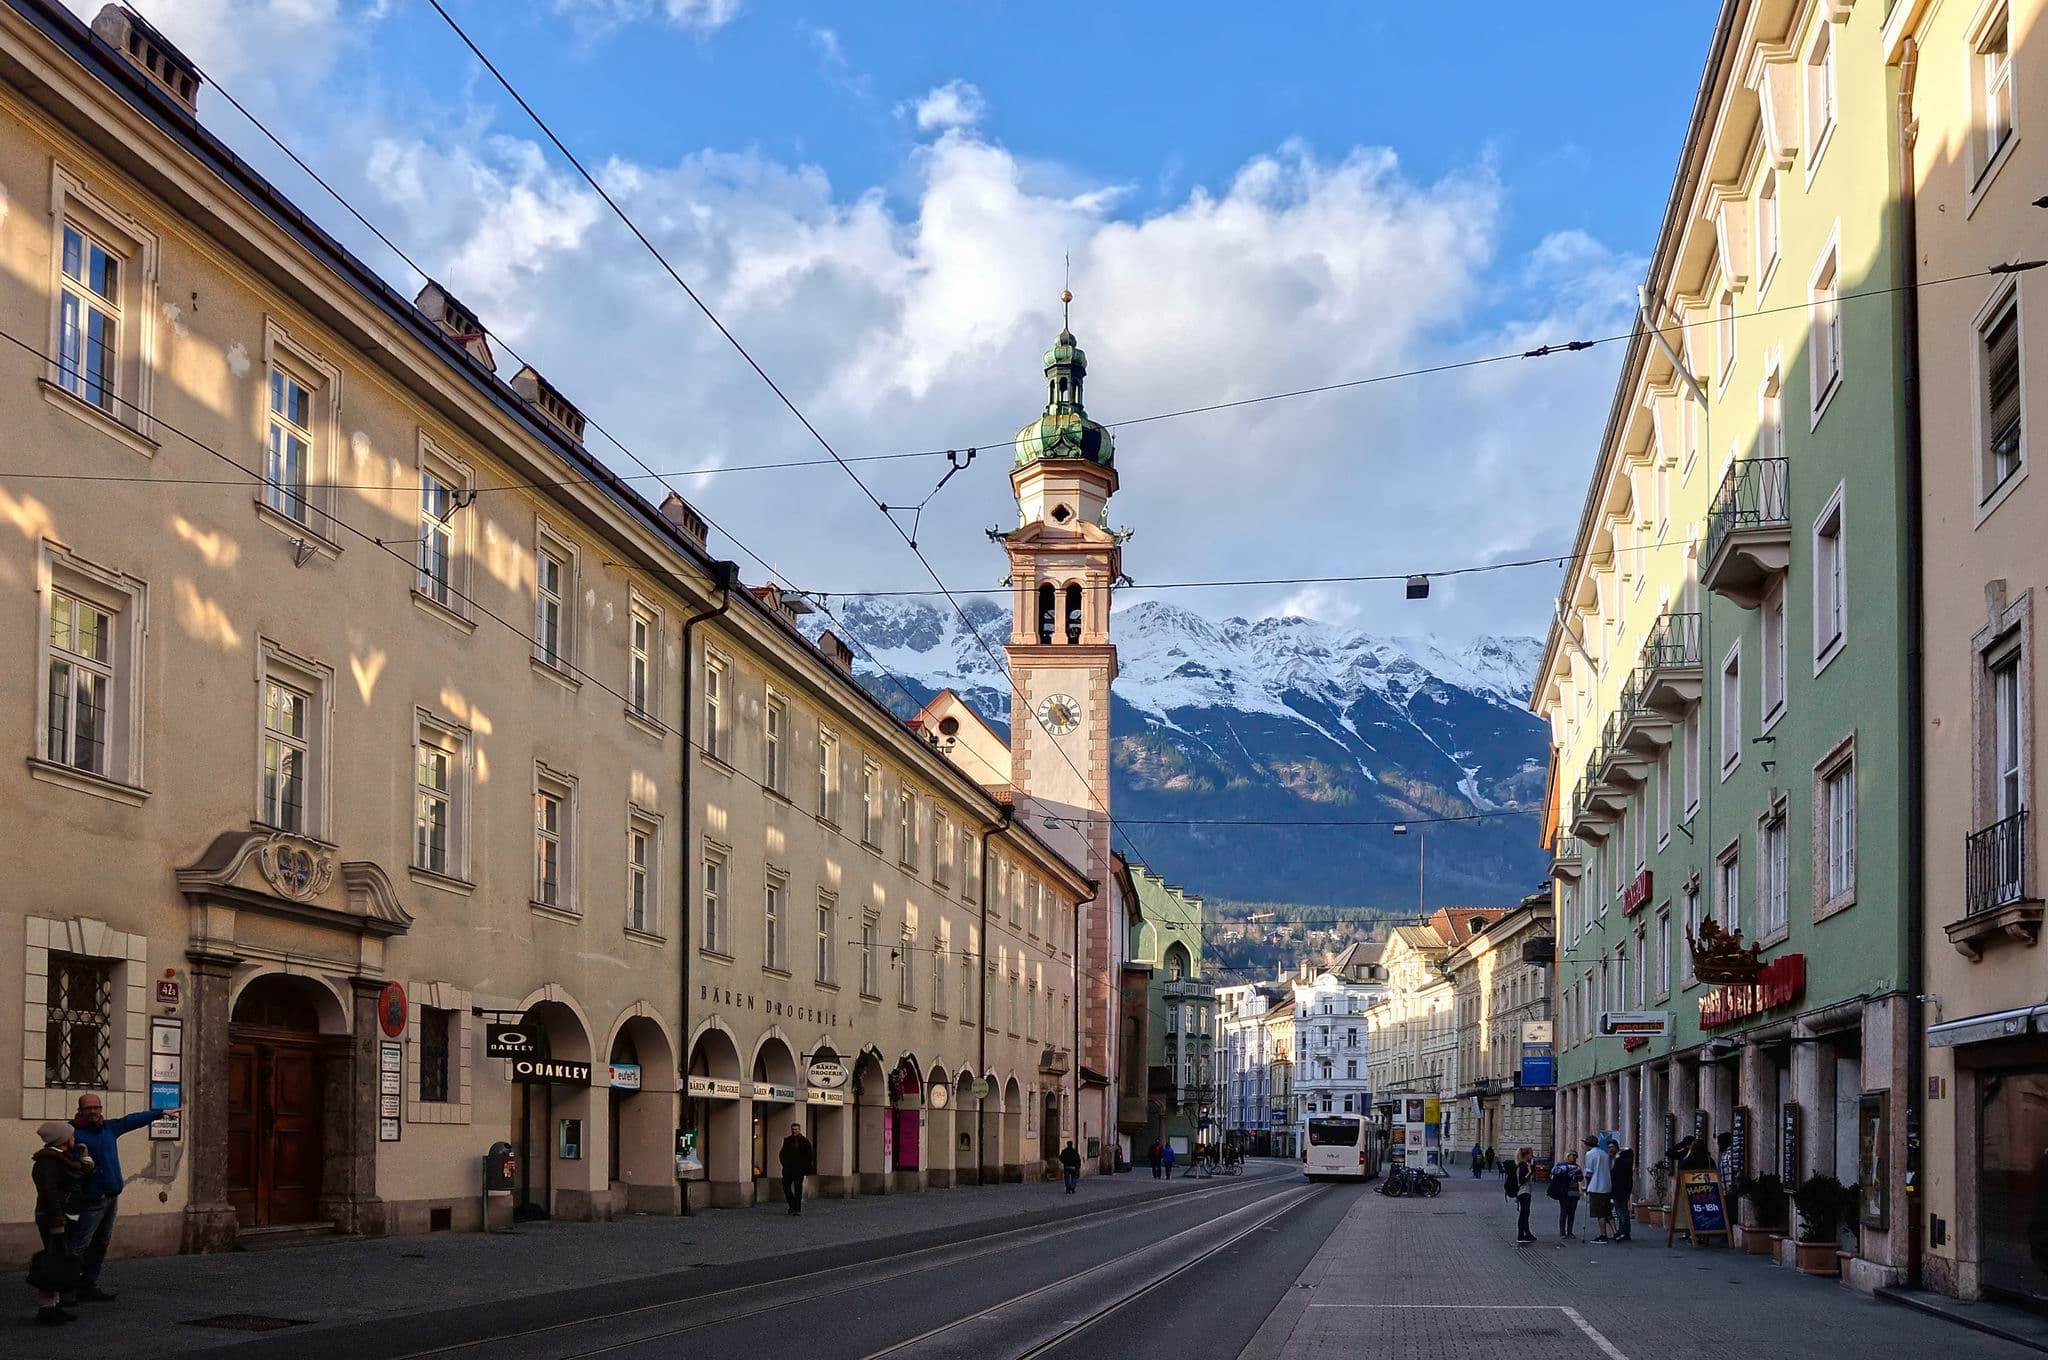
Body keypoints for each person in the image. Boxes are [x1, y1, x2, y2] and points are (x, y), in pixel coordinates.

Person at [67, 1093, 166, 1302]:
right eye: (88, 1108)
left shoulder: (109, 1128)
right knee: (79, 1245)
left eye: (96, 1107)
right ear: (80, 1111)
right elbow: (66, 1165)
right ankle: (66, 1288)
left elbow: (132, 1120)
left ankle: (88, 1284)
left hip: (111, 1197)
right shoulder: (73, 1133)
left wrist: (160, 1113)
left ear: (101, 1109)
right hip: (92, 1199)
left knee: (101, 1242)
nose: (93, 1111)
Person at [30, 1122, 90, 1326]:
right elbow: (49, 1192)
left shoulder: (60, 1158)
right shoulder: (48, 1162)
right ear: (63, 1139)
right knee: (53, 1260)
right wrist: (56, 1219)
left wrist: (83, 1157)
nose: (74, 1138)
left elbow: (79, 1174)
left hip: (62, 1215)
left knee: (59, 1259)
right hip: (53, 1217)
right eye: (71, 1135)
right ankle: (46, 1309)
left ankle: (54, 1306)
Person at [1582, 1134, 1615, 1243]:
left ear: (1587, 1144)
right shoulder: (1604, 1153)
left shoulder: (1589, 1154)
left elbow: (1589, 1172)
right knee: (1607, 1211)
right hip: (1607, 1185)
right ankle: (1615, 1232)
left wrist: (1587, 1186)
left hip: (1596, 1187)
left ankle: (1603, 1235)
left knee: (1600, 1213)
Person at [777, 1122, 814, 1216]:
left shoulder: (805, 1141)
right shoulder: (787, 1140)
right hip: (788, 1169)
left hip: (799, 1169)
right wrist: (785, 1163)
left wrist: (804, 1167)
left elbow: (809, 1155)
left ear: (799, 1130)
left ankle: (797, 1209)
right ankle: (792, 1205)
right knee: (786, 1187)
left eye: (796, 1129)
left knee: (798, 1189)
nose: (794, 1131)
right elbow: (782, 1154)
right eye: (793, 1129)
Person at [1549, 1150, 1582, 1241]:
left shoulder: (1577, 1167)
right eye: (1573, 1155)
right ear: (1568, 1156)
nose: (1574, 1157)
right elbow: (1553, 1173)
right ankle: (1562, 1232)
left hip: (1574, 1192)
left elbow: (1581, 1178)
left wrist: (1576, 1177)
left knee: (1572, 1213)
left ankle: (1570, 1231)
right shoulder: (1561, 1165)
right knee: (1564, 1212)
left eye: (1576, 1156)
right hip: (1564, 1192)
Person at [1509, 1146, 1538, 1245]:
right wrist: (1530, 1172)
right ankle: (1521, 1235)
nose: (1532, 1156)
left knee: (1525, 1213)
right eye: (1531, 1154)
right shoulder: (1522, 1166)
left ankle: (1527, 1233)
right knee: (1524, 1214)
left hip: (1524, 1192)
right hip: (1523, 1192)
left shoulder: (1523, 1165)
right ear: (1526, 1155)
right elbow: (1521, 1180)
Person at [1612, 1140, 1637, 1243]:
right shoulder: (1625, 1162)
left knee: (1622, 1211)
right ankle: (1622, 1231)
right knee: (1620, 1211)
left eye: (1612, 1147)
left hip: (1620, 1189)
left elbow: (1614, 1174)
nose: (1610, 1149)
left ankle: (1625, 1232)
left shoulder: (1621, 1161)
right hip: (1621, 1189)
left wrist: (1618, 1155)